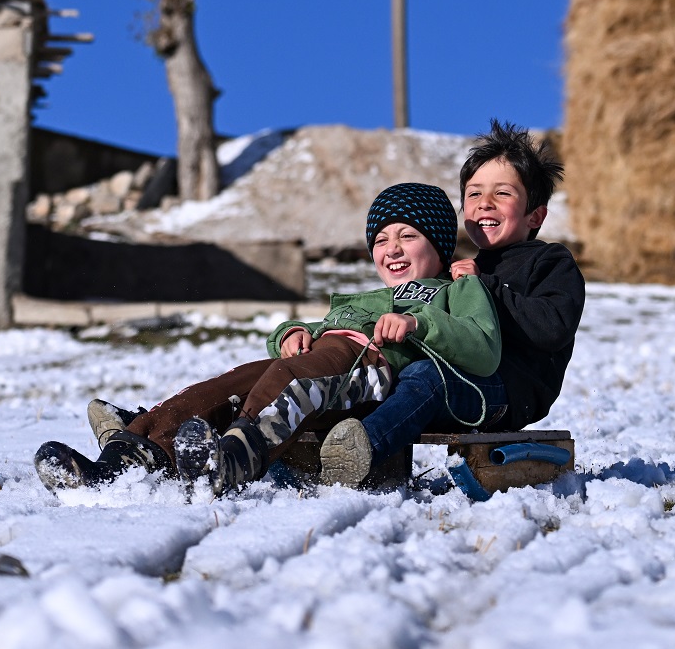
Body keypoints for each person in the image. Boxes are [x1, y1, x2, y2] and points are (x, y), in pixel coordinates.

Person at [34, 182, 503, 496]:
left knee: (294, 381)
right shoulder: (366, 297)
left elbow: (482, 346)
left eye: (407, 236)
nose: (391, 248)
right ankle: (125, 459)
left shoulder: (454, 288)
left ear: (440, 245)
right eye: (380, 240)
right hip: (322, 357)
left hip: (372, 369)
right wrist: (293, 333)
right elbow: (319, 330)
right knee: (225, 386)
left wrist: (420, 325)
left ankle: (234, 459)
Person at [317, 120, 586, 487]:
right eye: (474, 195)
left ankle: (362, 448)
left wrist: (483, 286)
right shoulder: (462, 268)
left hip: (509, 391)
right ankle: (308, 441)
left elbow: (551, 326)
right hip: (460, 379)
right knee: (381, 372)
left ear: (535, 215)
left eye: (502, 194)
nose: (484, 204)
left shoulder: (548, 262)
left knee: (427, 377)